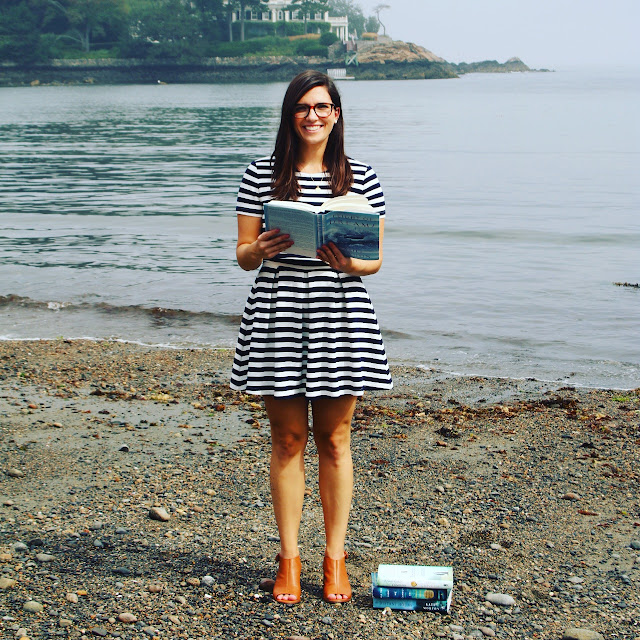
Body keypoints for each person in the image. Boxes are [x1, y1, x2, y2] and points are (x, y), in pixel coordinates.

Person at [230, 70, 392, 605]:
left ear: (336, 114)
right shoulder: (261, 175)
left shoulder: (361, 177)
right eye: (302, 107)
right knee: (286, 439)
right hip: (278, 312)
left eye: (322, 107)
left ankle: (336, 560)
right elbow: (243, 255)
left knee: (336, 439)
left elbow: (374, 261)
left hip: (340, 314)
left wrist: (350, 262)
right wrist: (261, 248)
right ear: (290, 115)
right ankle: (289, 560)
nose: (312, 116)